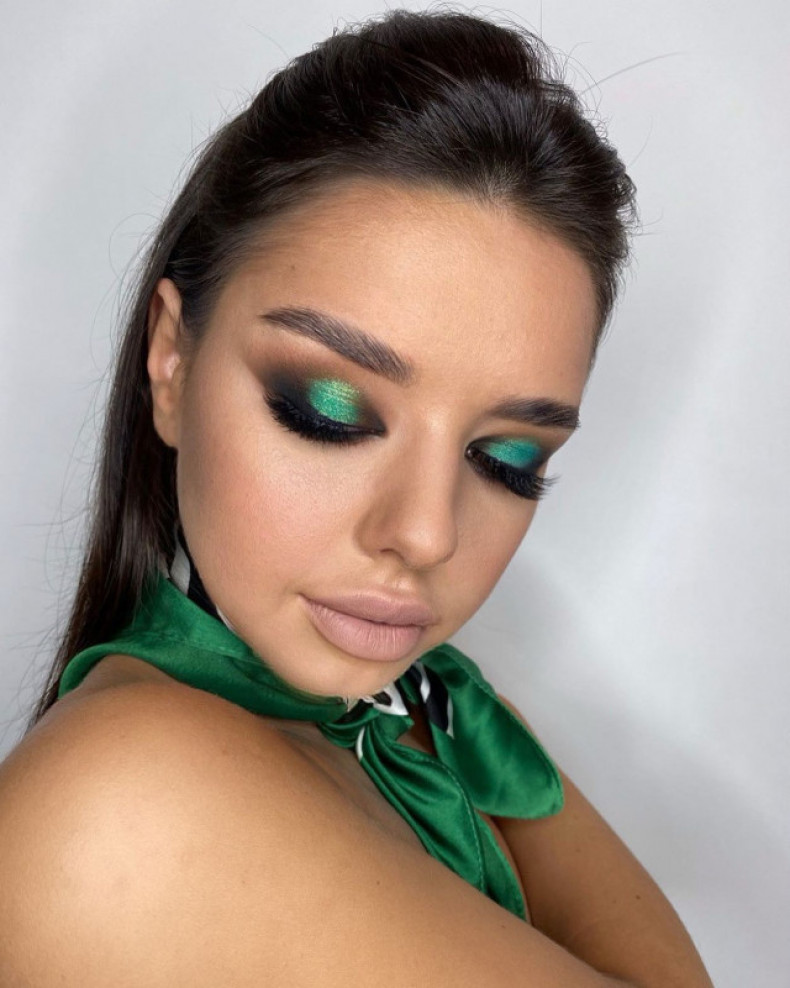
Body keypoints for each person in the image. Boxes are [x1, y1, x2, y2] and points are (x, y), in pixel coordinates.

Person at [0, 7, 714, 986]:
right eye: (328, 410)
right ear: (171, 360)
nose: (423, 534)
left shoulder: (419, 715)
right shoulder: (126, 800)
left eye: (506, 457)